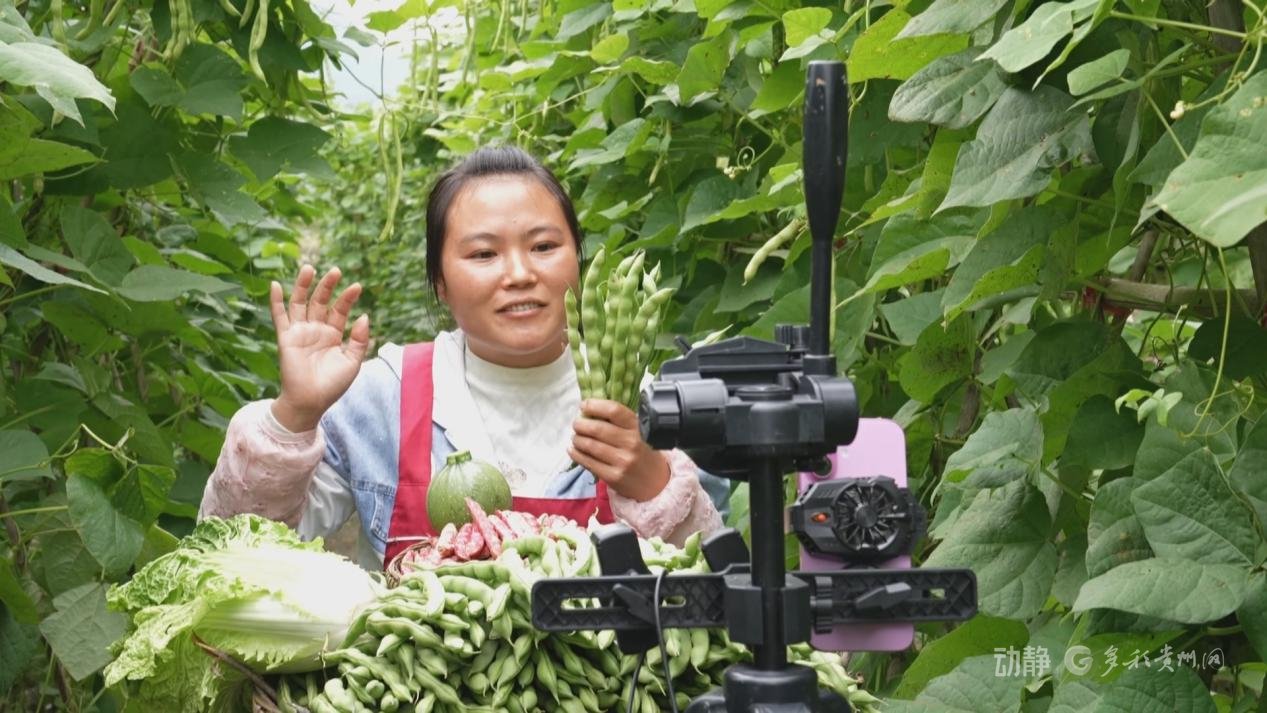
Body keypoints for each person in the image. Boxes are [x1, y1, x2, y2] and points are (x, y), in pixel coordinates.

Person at [200, 146, 727, 570]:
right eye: (483, 254)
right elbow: (235, 555)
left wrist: (654, 484)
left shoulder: (649, 406)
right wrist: (293, 416)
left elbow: (718, 595)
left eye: (544, 246)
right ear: (441, 284)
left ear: (578, 261)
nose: (519, 273)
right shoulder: (383, 398)